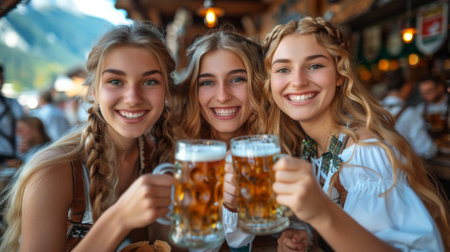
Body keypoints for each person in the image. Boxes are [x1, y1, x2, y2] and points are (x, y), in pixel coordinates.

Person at [261, 17, 449, 251]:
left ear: (340, 74)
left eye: (315, 65)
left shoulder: (365, 156)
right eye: (283, 69)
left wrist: (322, 214)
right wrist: (305, 234)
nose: (298, 81)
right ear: (270, 83)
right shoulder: (310, 145)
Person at [0, 21, 176, 251]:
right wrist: (119, 218)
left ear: (166, 91)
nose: (133, 97)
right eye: (115, 81)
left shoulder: (158, 157)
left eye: (150, 81)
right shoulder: (53, 171)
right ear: (93, 92)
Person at [171, 30, 288, 251]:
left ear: (257, 83)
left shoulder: (276, 148)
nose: (223, 95)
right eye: (207, 82)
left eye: (237, 79)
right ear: (193, 90)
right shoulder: (181, 154)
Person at [381, 70, 438, 159]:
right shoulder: (410, 113)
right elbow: (426, 149)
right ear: (406, 87)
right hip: (403, 168)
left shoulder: (375, 109)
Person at [0, 64, 24, 165]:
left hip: (10, 159)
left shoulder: (13, 104)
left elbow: (22, 130)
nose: (0, 81)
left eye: (1, 78)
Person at [415, 74, 449, 139]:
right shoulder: (420, 109)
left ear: (440, 88)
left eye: (429, 91)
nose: (425, 96)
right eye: (423, 93)